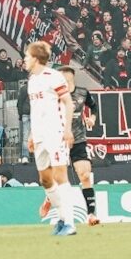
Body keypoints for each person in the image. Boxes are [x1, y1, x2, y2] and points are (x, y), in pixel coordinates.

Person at [24, 40, 79, 237]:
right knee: (45, 180)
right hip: (39, 135)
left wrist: (67, 130)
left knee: (60, 176)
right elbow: (35, 110)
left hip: (55, 132)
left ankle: (70, 223)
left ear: (36, 59)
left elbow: (68, 103)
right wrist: (31, 133)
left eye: (28, 56)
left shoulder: (53, 76)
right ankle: (62, 218)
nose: (25, 60)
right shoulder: (31, 80)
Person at [48, 66, 99, 224]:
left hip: (78, 140)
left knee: (84, 175)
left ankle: (91, 214)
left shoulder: (82, 93)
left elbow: (94, 107)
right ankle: (58, 212)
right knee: (57, 180)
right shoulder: (53, 96)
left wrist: (92, 119)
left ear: (71, 77)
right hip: (59, 141)